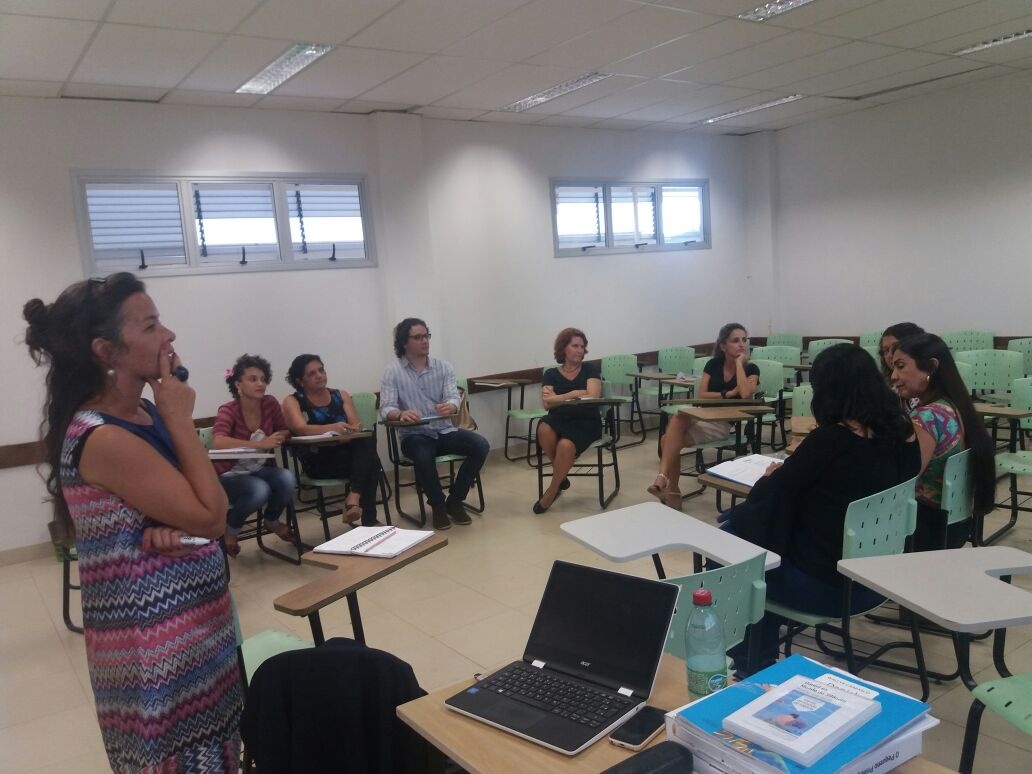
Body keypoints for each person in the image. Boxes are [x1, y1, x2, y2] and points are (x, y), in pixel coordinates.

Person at [23, 273, 241, 771]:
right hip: (155, 648)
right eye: (151, 326)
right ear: (108, 350)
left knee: (220, 750)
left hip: (201, 628)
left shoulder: (147, 411)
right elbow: (211, 515)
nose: (169, 336)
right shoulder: (100, 436)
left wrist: (167, 529)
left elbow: (192, 505)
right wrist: (182, 421)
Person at [722, 344, 921, 667]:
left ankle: (750, 663)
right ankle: (754, 655)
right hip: (880, 577)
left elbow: (770, 496)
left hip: (829, 587)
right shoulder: (904, 432)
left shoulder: (830, 440)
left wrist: (772, 475)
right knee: (755, 538)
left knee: (735, 550)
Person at [379, 318, 489, 530]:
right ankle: (437, 505)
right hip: (414, 435)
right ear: (404, 343)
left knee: (480, 445)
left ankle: (455, 501)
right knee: (422, 455)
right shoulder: (392, 371)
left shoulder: (443, 367)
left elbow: (452, 397)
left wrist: (452, 406)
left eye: (426, 335)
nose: (424, 341)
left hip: (444, 430)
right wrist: (399, 413)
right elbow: (386, 408)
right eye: (417, 337)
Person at [889, 333, 995, 550]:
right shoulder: (955, 407)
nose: (893, 376)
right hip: (954, 525)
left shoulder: (927, 417)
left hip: (924, 529)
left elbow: (905, 478)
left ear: (931, 367)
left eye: (900, 366)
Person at [649, 323, 759, 509]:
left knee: (667, 440)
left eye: (744, 340)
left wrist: (740, 364)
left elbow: (747, 393)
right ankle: (666, 483)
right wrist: (726, 394)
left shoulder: (752, 368)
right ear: (723, 346)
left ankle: (669, 487)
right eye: (735, 340)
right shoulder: (713, 364)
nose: (742, 344)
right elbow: (702, 395)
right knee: (679, 416)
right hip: (701, 413)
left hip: (722, 421)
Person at [282, 354, 384, 527]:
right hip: (318, 461)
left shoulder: (340, 395)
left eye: (321, 370)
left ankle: (354, 497)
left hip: (346, 455)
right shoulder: (293, 401)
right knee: (371, 460)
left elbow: (355, 425)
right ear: (300, 381)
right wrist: (333, 428)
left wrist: (348, 431)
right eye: (312, 374)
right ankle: (367, 517)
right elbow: (301, 429)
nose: (319, 375)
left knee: (368, 440)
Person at [212, 354, 297, 557]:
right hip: (229, 475)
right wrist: (258, 444)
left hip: (258, 469)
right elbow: (219, 441)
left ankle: (272, 520)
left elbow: (284, 429)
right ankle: (230, 531)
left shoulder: (269, 404)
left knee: (287, 478)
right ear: (238, 384)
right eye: (253, 379)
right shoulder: (228, 410)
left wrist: (279, 436)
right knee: (259, 490)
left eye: (263, 379)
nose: (260, 384)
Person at [533, 328, 602, 514]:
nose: (580, 350)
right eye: (575, 346)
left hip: (586, 419)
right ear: (564, 348)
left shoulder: (590, 369)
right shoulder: (551, 374)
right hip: (560, 417)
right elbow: (547, 404)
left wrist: (559, 397)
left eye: (582, 346)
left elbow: (593, 396)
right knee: (544, 427)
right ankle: (561, 476)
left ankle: (552, 490)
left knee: (565, 445)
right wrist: (572, 394)